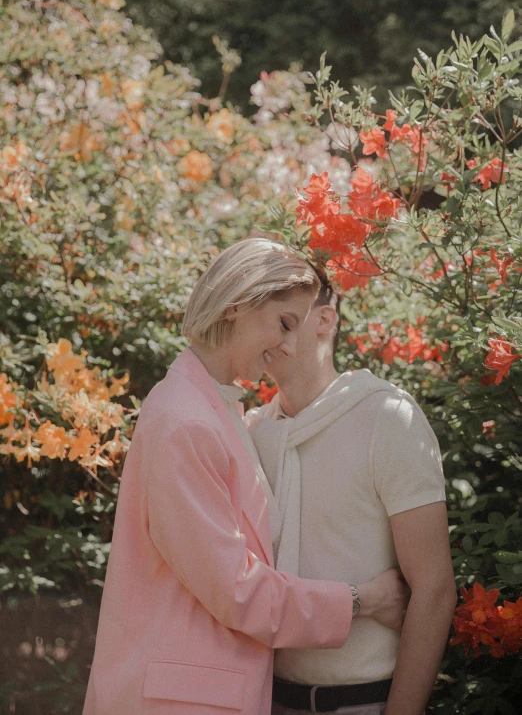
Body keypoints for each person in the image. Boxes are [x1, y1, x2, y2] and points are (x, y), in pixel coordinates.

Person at [83, 239, 409, 715]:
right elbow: (239, 591)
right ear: (237, 303)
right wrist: (364, 601)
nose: (291, 346)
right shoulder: (185, 422)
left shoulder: (219, 410)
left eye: (298, 329)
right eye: (283, 323)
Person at [246, 271, 457, 715]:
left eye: (285, 322)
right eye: (260, 322)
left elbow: (434, 589)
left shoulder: (387, 416)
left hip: (366, 701)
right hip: (262, 700)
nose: (270, 336)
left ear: (325, 320)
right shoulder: (253, 433)